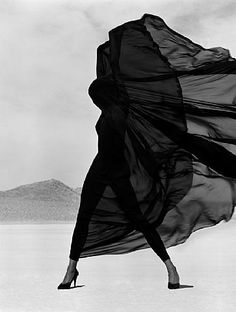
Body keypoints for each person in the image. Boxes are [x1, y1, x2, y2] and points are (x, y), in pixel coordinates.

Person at [58, 14, 236, 290]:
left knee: (127, 221)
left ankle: (167, 268)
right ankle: (74, 270)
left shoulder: (119, 112)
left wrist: (116, 49)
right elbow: (109, 84)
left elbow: (111, 88)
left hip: (112, 173)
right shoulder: (113, 112)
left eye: (95, 97)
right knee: (103, 219)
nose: (93, 100)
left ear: (103, 96)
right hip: (106, 172)